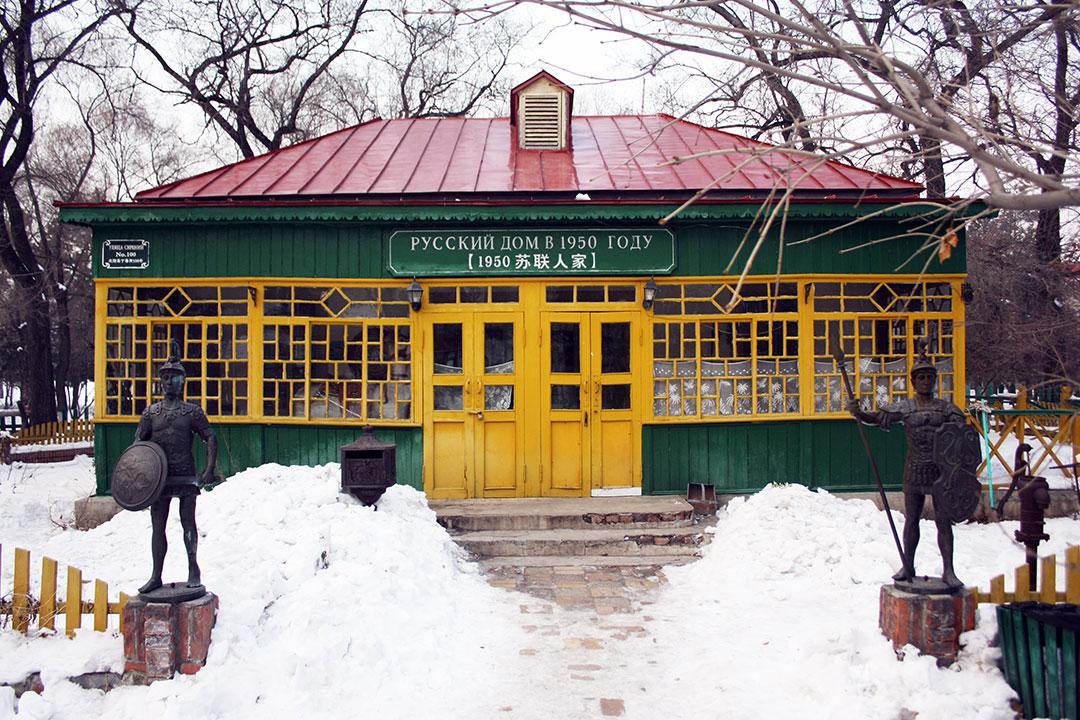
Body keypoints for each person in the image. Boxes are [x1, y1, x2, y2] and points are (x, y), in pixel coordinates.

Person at [848, 347, 966, 589]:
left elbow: (962, 438)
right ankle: (908, 565)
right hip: (915, 468)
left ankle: (949, 570)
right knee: (912, 519)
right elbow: (875, 418)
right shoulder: (904, 408)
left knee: (943, 522)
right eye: (920, 377)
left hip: (941, 471)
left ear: (935, 380)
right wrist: (858, 412)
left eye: (929, 377)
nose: (925, 381)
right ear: (913, 381)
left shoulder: (947, 409)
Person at [136, 344, 217, 594]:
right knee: (158, 527)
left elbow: (210, 437)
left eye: (173, 377)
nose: (168, 382)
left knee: (188, 524)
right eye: (164, 377)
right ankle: (156, 574)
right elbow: (138, 444)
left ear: (182, 381)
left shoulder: (191, 412)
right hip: (160, 479)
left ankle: (193, 568)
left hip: (186, 476)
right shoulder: (151, 413)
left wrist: (208, 469)